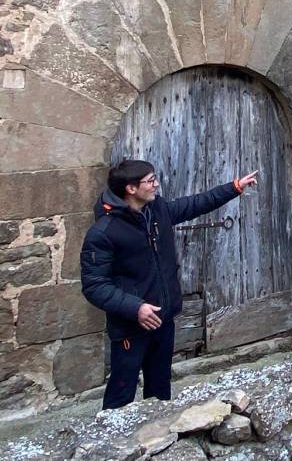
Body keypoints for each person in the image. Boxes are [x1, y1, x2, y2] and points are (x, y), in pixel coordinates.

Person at [80, 158, 257, 409]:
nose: (156, 185)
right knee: (121, 395)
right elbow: (94, 285)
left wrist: (234, 187)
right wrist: (136, 308)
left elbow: (195, 204)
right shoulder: (103, 232)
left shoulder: (156, 211)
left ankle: (159, 441)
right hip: (131, 327)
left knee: (160, 390)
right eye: (150, 181)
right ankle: (113, 446)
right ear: (131, 189)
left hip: (163, 320)